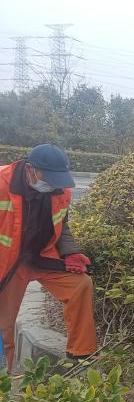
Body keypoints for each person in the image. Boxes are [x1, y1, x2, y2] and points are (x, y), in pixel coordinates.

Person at [0, 144, 97, 373]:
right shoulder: (3, 184)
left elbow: (62, 225)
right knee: (4, 325)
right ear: (30, 170)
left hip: (41, 257)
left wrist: (70, 252)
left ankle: (81, 355)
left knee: (80, 285)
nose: (53, 185)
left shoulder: (60, 190)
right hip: (9, 263)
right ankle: (5, 378)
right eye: (49, 178)